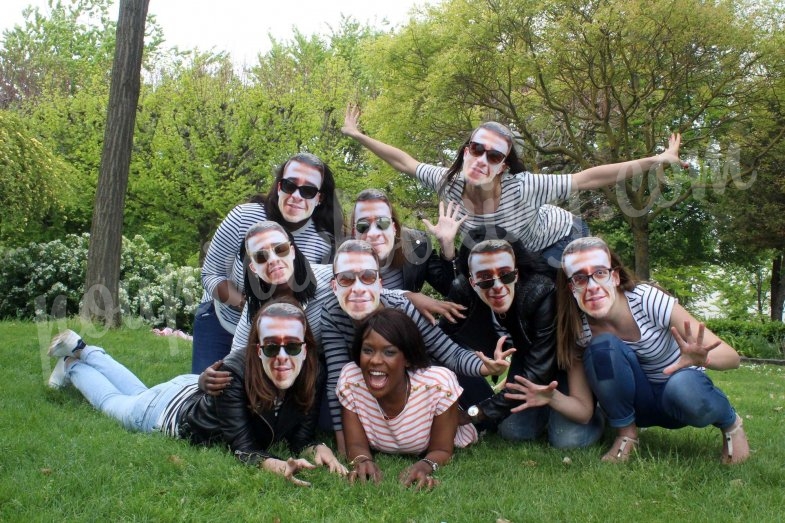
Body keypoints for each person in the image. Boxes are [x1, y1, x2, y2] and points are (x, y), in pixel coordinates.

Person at [341, 104, 685, 267]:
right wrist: (358, 136)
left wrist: (656, 160)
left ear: (503, 166)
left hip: (561, 237)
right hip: (520, 253)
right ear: (465, 152)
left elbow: (591, 177)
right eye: (476, 150)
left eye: (493, 156)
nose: (482, 160)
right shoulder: (449, 183)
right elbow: (404, 162)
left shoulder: (525, 186)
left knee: (554, 285)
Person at [46, 300, 347, 486]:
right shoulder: (235, 372)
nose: (283, 356)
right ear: (257, 349)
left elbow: (300, 438)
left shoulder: (313, 372)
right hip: (167, 412)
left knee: (138, 391)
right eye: (271, 347)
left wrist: (317, 448)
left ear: (306, 348)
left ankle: (84, 349)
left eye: (292, 346)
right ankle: (73, 364)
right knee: (115, 403)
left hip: (194, 388)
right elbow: (243, 448)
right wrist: (276, 464)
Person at [556, 236, 750, 463]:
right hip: (638, 406)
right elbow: (583, 405)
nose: (592, 287)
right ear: (571, 287)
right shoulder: (579, 329)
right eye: (580, 278)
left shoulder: (647, 300)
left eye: (600, 273)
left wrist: (703, 358)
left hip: (680, 397)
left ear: (615, 276)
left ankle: (731, 424)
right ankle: (626, 435)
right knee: (602, 347)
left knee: (682, 386)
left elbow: (732, 358)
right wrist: (551, 396)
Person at [322, 239, 512, 454]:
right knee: (329, 415)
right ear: (334, 285)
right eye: (346, 279)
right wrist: (344, 444)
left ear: (380, 282)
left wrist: (486, 367)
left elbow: (449, 353)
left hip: (419, 376)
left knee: (483, 418)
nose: (358, 288)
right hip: (371, 380)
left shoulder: (403, 308)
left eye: (367, 277)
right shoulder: (332, 312)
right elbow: (336, 377)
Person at [440, 230, 603, 448]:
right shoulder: (462, 291)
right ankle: (542, 411)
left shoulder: (540, 292)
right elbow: (441, 342)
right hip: (526, 362)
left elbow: (538, 373)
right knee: (515, 432)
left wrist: (473, 414)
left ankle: (600, 413)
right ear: (472, 280)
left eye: (506, 274)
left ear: (516, 271)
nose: (497, 286)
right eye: (485, 278)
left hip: (562, 364)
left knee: (568, 440)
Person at [192, 152, 344, 374]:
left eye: (308, 190)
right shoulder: (243, 217)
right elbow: (210, 274)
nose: (296, 196)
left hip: (277, 333)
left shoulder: (322, 242)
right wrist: (247, 306)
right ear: (279, 186)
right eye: (289, 185)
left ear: (319, 198)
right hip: (221, 318)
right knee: (209, 393)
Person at [339, 308, 477, 490]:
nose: (375, 360)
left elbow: (442, 450)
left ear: (408, 359)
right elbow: (356, 444)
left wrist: (425, 465)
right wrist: (362, 460)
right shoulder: (352, 380)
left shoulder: (437, 385)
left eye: (389, 352)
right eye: (368, 350)